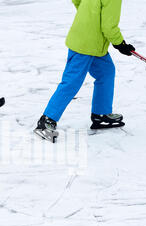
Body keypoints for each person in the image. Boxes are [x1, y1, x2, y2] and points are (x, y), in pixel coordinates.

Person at [34, 0, 135, 143]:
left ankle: (101, 114)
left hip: (90, 40)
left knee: (106, 73)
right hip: (86, 44)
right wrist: (120, 44)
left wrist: (88, 17)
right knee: (72, 82)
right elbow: (108, 27)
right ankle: (46, 121)